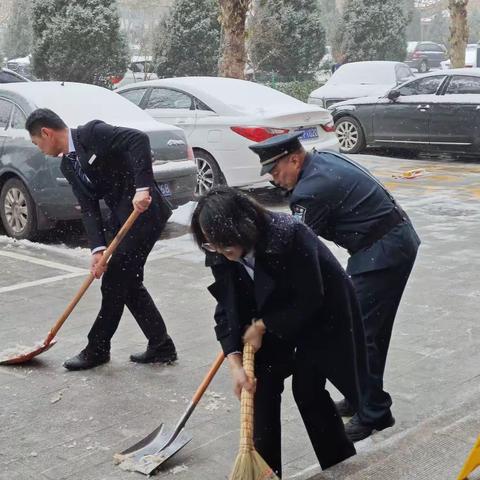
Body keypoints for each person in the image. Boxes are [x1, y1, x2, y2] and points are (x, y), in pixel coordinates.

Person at [249, 133, 421, 441]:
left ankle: (374, 413)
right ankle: (363, 396)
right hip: (389, 243)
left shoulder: (310, 191)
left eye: (276, 172)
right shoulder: (321, 162)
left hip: (382, 252)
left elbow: (297, 250)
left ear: (294, 159)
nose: (276, 180)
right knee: (369, 331)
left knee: (357, 333)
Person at [191, 187, 367, 477]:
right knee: (260, 390)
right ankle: (266, 472)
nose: (222, 253)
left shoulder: (289, 235)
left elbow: (310, 297)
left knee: (307, 391)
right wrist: (235, 363)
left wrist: (263, 326)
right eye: (213, 247)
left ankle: (341, 464)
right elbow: (228, 309)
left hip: (320, 316)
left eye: (225, 245)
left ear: (243, 227)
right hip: (270, 317)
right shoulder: (220, 250)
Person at [25, 108, 177, 370]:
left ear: (46, 133)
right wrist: (97, 248)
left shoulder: (93, 133)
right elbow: (88, 207)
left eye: (37, 143)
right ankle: (160, 345)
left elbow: (138, 139)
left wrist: (143, 188)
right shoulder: (68, 164)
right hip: (121, 220)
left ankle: (97, 348)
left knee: (115, 280)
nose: (39, 149)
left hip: (145, 213)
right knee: (128, 282)